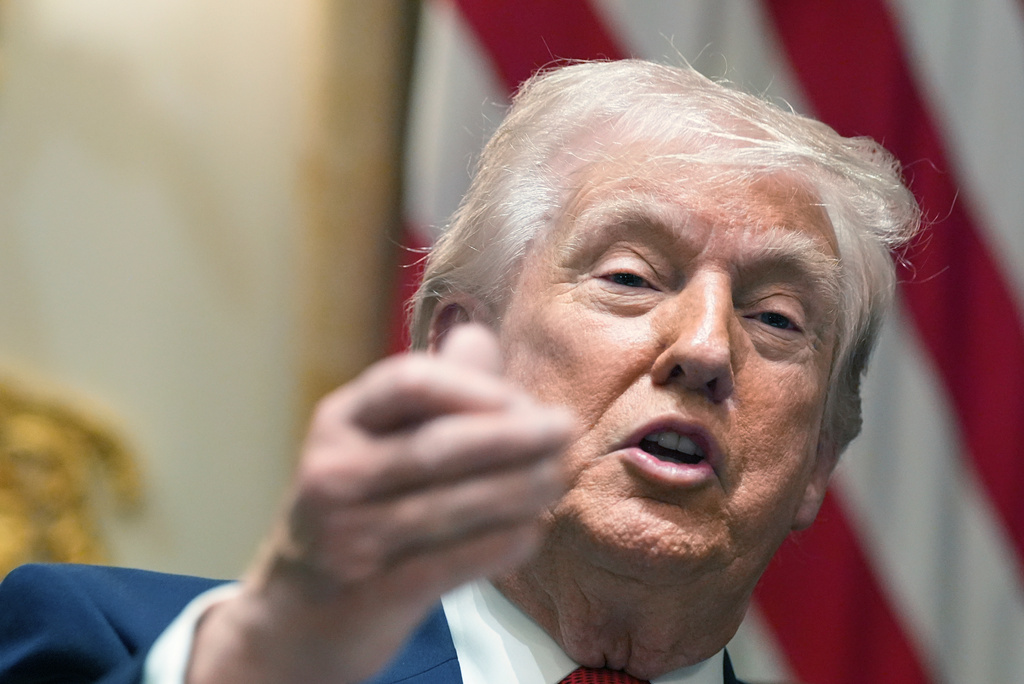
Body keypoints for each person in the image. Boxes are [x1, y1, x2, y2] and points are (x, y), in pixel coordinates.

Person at [0, 59, 920, 684]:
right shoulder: (108, 642)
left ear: (820, 460)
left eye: (777, 318)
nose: (708, 347)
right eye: (631, 277)